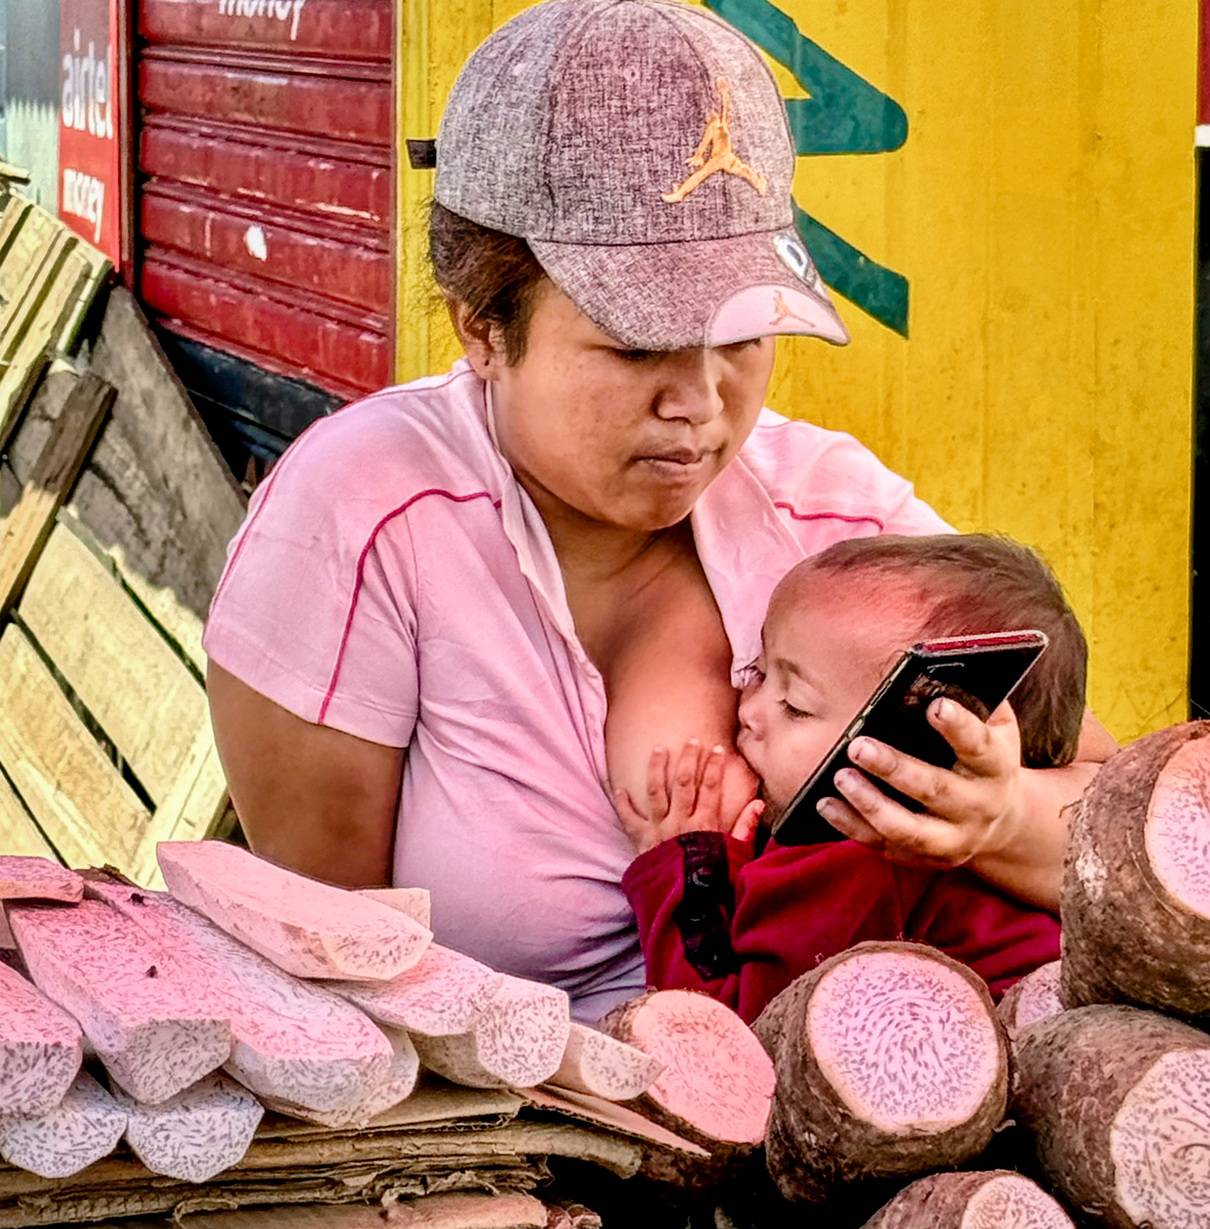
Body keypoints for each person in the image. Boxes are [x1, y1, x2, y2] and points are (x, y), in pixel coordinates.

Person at [203, 0, 1114, 1022]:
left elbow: (1112, 807)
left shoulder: (828, 509)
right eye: (636, 348)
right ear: (483, 330)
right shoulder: (365, 515)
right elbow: (329, 950)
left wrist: (995, 822)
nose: (701, 403)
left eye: (742, 337)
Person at [616, 533, 1083, 1022]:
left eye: (795, 705)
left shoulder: (846, 858)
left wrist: (686, 869)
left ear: (917, 756)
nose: (749, 710)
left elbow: (733, 1035)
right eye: (756, 671)